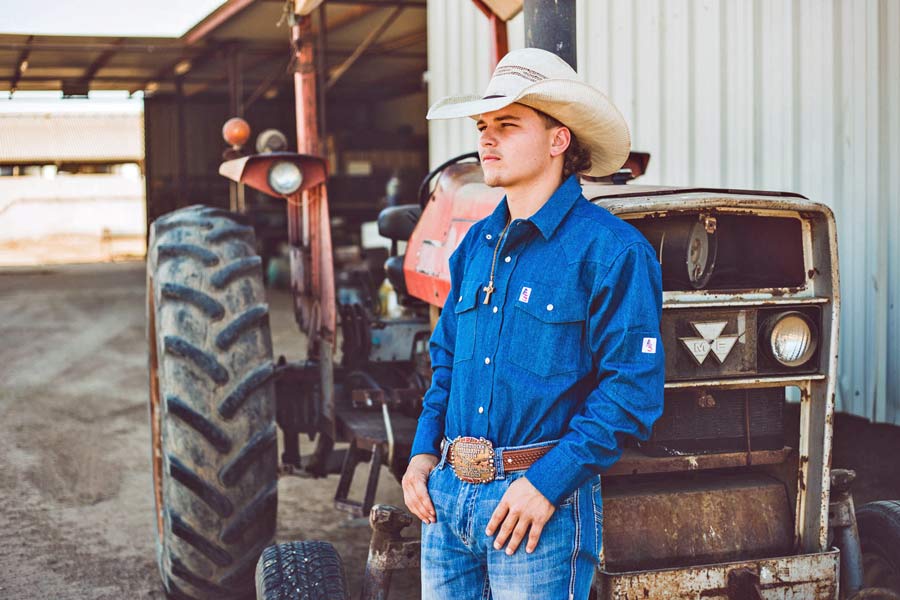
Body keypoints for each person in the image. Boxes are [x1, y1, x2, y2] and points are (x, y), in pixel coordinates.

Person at [402, 47, 665, 599]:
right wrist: (424, 453)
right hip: (448, 501)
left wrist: (545, 485)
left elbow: (631, 391)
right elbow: (446, 361)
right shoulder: (475, 244)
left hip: (535, 505)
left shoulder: (611, 251)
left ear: (557, 139)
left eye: (507, 124)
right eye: (482, 126)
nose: (486, 139)